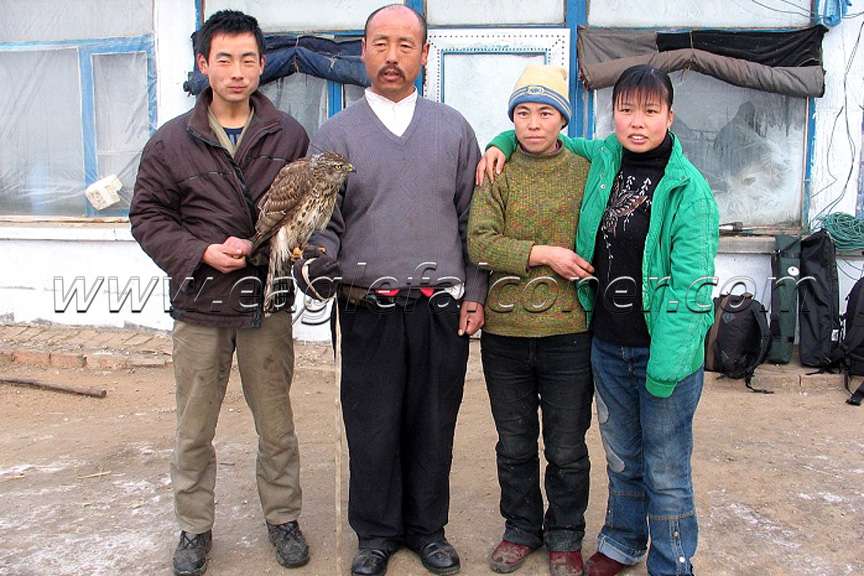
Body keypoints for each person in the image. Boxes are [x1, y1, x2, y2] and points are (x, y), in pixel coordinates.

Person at [478, 64, 719, 576]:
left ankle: (673, 563)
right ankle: (623, 542)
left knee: (666, 467)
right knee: (624, 459)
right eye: (626, 110)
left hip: (662, 353)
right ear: (613, 116)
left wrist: (665, 369)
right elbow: (543, 131)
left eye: (650, 111)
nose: (636, 122)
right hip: (608, 345)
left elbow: (689, 291)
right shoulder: (607, 157)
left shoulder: (688, 191)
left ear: (670, 116)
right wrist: (500, 138)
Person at [294, 5, 486, 576]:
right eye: (382, 43)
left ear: (425, 55)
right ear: (363, 51)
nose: (393, 56)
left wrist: (475, 291)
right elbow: (321, 221)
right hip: (366, 308)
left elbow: (472, 218)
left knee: (433, 422)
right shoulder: (336, 134)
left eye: (407, 45)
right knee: (372, 424)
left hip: (439, 308)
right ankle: (375, 534)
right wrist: (320, 259)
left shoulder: (452, 128)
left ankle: (428, 529)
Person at [129, 10, 310, 576]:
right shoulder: (171, 142)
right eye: (224, 59)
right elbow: (147, 217)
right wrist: (201, 252)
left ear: (263, 66)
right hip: (200, 304)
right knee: (194, 428)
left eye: (249, 60)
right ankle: (194, 529)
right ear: (203, 65)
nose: (237, 72)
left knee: (276, 425)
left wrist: (301, 248)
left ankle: (283, 517)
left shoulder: (289, 135)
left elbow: (307, 211)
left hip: (266, 303)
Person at [466, 64, 594, 576]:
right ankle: (520, 527)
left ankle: (565, 534)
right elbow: (479, 242)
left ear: (563, 120)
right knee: (514, 442)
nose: (533, 124)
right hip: (506, 333)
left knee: (566, 445)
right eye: (522, 113)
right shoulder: (497, 170)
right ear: (511, 120)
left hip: (569, 332)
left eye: (545, 113)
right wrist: (544, 254)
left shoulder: (587, 171)